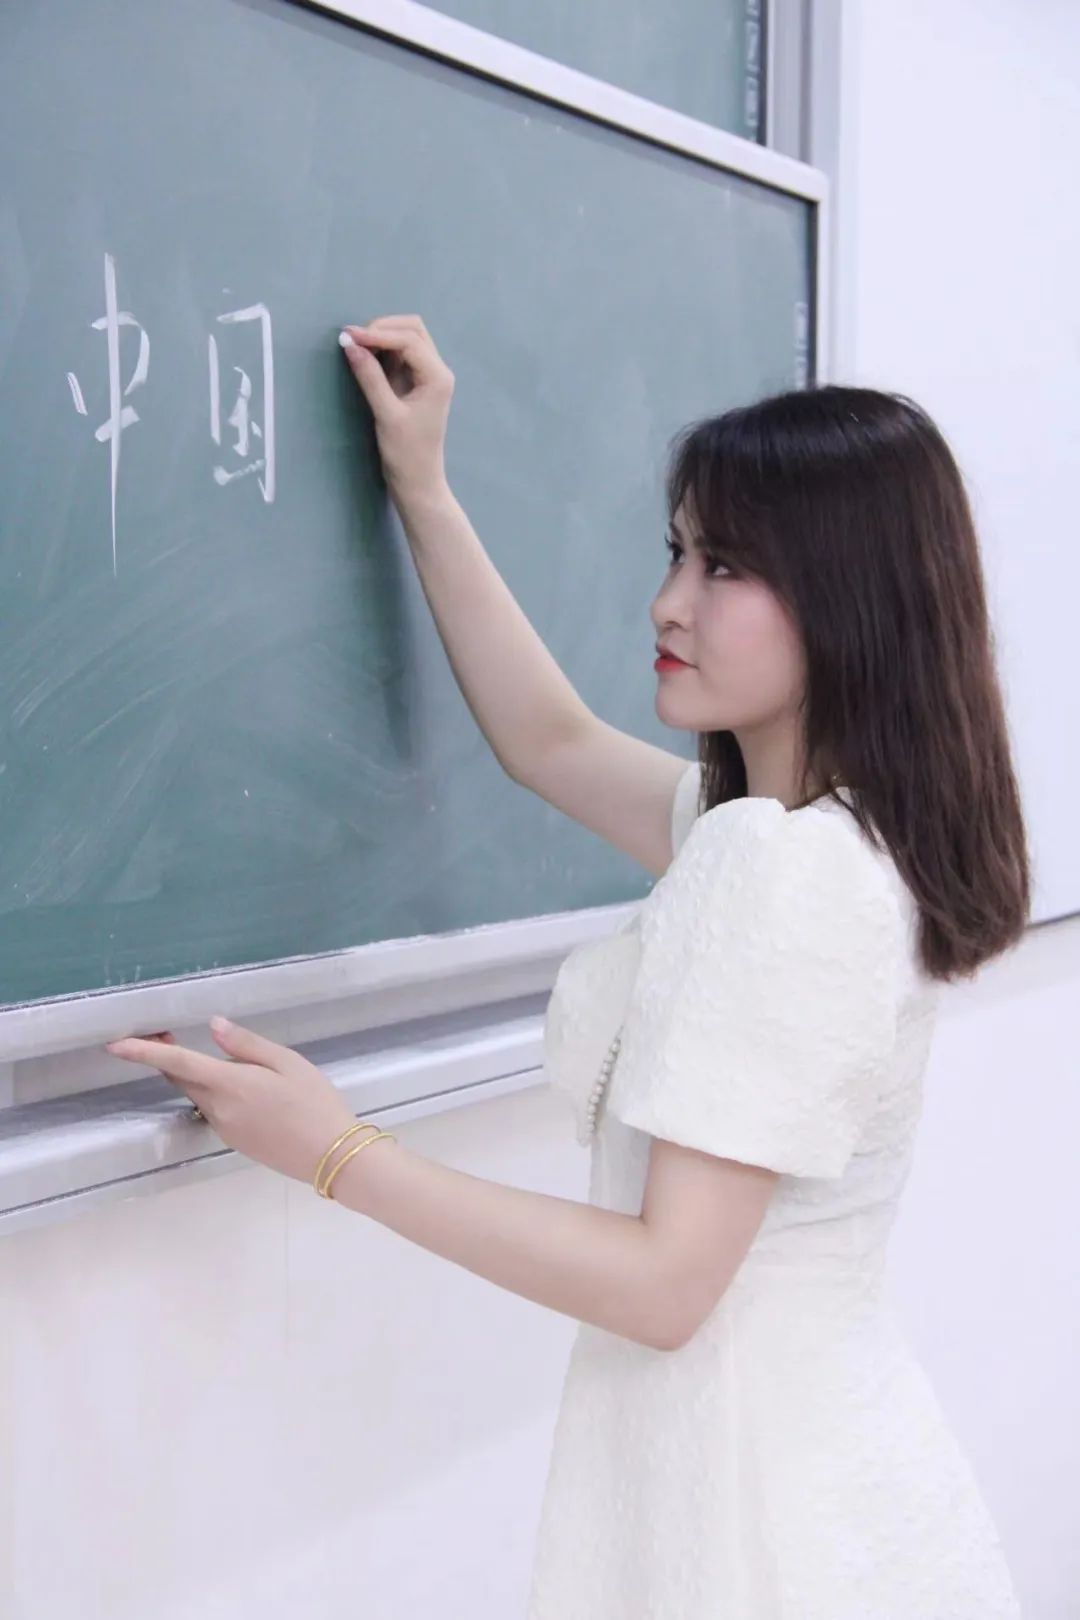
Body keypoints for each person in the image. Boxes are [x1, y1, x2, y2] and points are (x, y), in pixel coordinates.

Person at [107, 315, 1030, 1618]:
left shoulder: (790, 875)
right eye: (676, 552)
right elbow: (547, 740)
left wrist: (337, 1151)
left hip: (758, 1516)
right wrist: (423, 486)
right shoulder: (823, 839)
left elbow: (665, 1283)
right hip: (816, 1469)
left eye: (725, 567)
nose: (669, 602)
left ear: (848, 599)